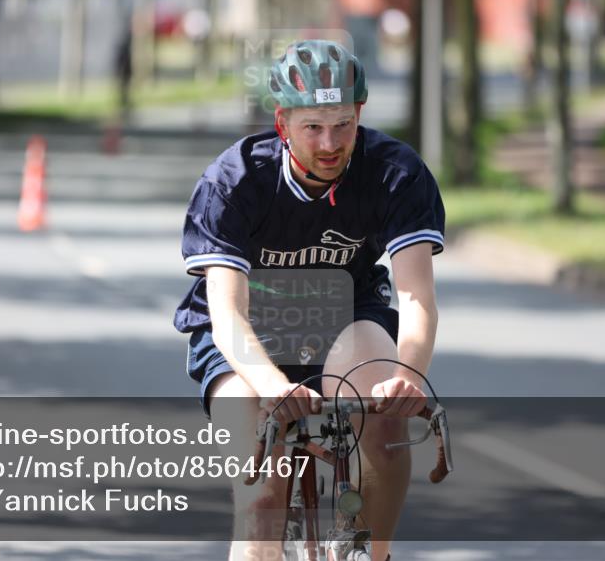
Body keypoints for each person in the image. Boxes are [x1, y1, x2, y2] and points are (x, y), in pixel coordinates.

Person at [174, 39, 445, 561]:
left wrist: (408, 373)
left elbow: (417, 295)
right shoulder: (233, 182)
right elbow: (226, 313)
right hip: (245, 333)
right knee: (263, 495)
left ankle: (374, 552)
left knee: (384, 420)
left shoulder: (396, 173)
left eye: (343, 125)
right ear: (282, 122)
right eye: (312, 127)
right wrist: (274, 385)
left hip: (344, 314)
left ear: (360, 115)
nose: (329, 143)